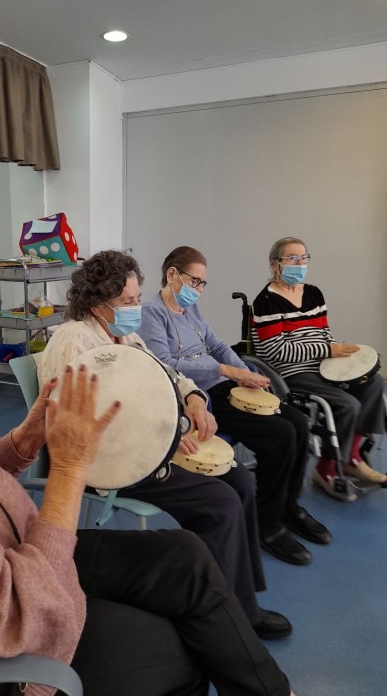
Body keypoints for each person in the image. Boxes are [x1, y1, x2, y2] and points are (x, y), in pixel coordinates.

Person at [0, 243, 295, 696]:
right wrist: (68, 468)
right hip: (18, 627)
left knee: (186, 556)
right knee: (180, 653)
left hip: (23, 548)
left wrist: (23, 438)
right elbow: (16, 620)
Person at [39, 249, 292, 639]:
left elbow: (167, 373)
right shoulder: (74, 342)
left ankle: (239, 602)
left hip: (147, 446)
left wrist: (193, 397)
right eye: (126, 301)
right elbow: (80, 425)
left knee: (240, 480)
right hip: (107, 460)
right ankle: (225, 617)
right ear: (95, 303)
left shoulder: (123, 333)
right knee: (220, 503)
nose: (135, 308)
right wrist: (168, 438)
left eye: (137, 298)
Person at [138, 245, 331, 567]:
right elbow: (166, 365)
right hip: (199, 396)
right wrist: (227, 371)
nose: (199, 289)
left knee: (297, 421)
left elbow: (216, 345)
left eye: (203, 283)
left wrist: (245, 373)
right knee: (281, 435)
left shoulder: (190, 310)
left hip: (224, 384)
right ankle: (267, 526)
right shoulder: (152, 313)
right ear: (172, 274)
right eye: (194, 281)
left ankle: (289, 507)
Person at [251, 236, 387, 501]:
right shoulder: (266, 302)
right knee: (348, 404)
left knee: (374, 383)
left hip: (324, 365)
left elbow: (324, 333)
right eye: (292, 258)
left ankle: (352, 457)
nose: (299, 263)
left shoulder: (314, 293)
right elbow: (274, 352)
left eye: (304, 258)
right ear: (275, 263)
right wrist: (326, 350)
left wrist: (339, 353)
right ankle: (325, 468)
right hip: (292, 372)